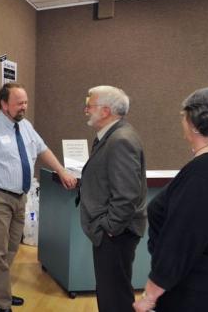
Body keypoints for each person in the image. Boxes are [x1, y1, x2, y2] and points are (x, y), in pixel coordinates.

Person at [0, 82, 77, 312]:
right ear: (4, 104)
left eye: (25, 102)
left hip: (19, 198)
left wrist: (61, 170)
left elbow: (42, 149)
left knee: (10, 248)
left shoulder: (25, 126)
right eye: (19, 103)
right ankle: (2, 303)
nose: (24, 107)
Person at [133, 85, 208, 312]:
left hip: (199, 294)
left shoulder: (204, 173)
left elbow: (181, 241)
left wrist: (149, 296)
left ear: (194, 122)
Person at [79, 85, 147, 312]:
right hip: (112, 232)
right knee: (110, 291)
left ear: (106, 110)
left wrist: (109, 228)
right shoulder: (110, 136)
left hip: (116, 234)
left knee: (115, 296)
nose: (85, 110)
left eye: (89, 105)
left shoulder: (120, 140)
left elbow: (127, 194)